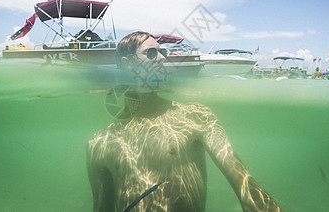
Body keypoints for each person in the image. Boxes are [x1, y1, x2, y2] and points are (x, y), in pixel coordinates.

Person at [87, 31, 281, 212]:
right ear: (127, 63)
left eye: (163, 52)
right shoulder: (100, 142)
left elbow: (244, 184)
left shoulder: (195, 116)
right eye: (152, 53)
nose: (163, 57)